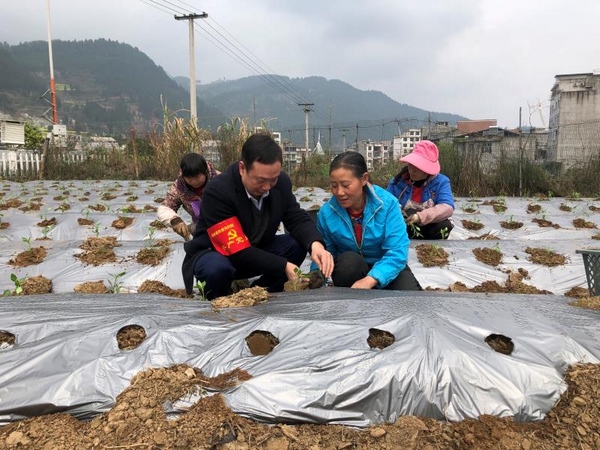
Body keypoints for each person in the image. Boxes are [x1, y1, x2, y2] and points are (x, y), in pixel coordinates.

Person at [181, 133, 334, 299]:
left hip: (257, 250)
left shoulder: (281, 183)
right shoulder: (218, 191)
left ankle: (261, 292)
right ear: (242, 168)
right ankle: (222, 302)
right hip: (219, 254)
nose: (267, 187)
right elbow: (235, 249)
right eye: (260, 180)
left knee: (297, 244)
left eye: (273, 179)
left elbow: (296, 217)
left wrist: (315, 244)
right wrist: (283, 265)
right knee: (215, 269)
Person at [316, 151, 421, 290]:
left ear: (364, 179)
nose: (339, 192)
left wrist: (371, 280)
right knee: (348, 264)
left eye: (346, 185)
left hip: (386, 267)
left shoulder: (387, 205)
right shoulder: (327, 212)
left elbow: (397, 252)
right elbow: (325, 254)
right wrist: (315, 277)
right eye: (334, 186)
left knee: (408, 294)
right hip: (353, 270)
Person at [386, 140, 455, 239]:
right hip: (405, 224)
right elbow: (386, 204)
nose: (412, 170)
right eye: (411, 165)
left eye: (418, 167)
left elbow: (447, 207)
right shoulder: (398, 182)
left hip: (430, 225)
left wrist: (420, 217)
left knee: (443, 226)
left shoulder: (441, 182)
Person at [157, 153, 219, 240]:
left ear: (205, 172)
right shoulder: (179, 187)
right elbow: (165, 207)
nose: (193, 182)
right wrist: (175, 220)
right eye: (189, 178)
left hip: (225, 224)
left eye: (197, 177)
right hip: (200, 227)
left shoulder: (220, 181)